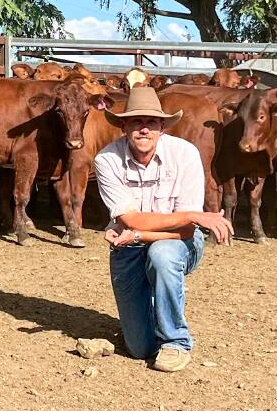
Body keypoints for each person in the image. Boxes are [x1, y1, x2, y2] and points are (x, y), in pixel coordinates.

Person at [94, 86, 234, 372]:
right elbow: (132, 220)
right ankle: (143, 325)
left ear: (162, 127)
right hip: (129, 245)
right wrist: (137, 232)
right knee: (139, 348)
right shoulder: (106, 160)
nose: (144, 129)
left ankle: (175, 341)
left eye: (151, 122)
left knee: (162, 255)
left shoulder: (184, 154)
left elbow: (184, 231)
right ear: (123, 125)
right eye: (136, 121)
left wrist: (136, 233)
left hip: (171, 243)